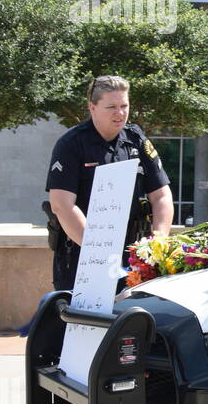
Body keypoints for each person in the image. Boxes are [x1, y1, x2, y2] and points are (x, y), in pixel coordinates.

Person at [45, 75, 174, 292]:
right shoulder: (71, 144)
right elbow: (61, 205)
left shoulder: (136, 140)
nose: (120, 113)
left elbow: (161, 195)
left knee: (132, 323)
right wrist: (98, 252)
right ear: (92, 107)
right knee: (82, 324)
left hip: (133, 257)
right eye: (111, 106)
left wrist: (157, 241)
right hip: (82, 256)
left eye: (124, 106)